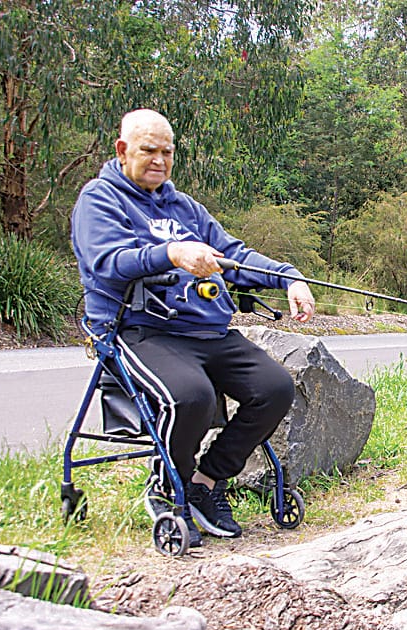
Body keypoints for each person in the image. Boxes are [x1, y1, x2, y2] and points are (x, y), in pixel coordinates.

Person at [71, 108, 316, 546]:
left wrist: (289, 277)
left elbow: (234, 256)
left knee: (276, 387)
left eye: (167, 152)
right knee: (193, 397)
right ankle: (169, 484)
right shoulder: (99, 199)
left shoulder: (186, 208)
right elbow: (107, 263)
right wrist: (173, 254)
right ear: (123, 150)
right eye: (149, 151)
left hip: (209, 334)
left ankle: (205, 483)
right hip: (137, 331)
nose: (160, 161)